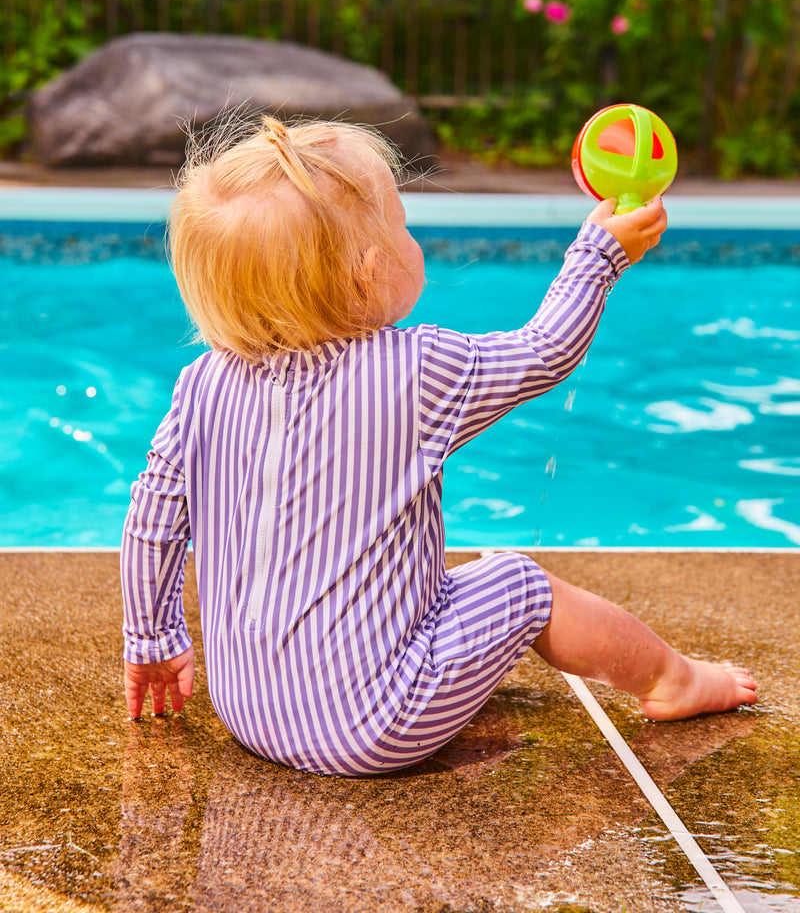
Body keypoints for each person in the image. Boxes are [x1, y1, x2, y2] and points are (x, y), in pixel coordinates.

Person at [121, 117, 757, 777]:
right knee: (517, 582)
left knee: (413, 585)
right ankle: (673, 680)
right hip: (373, 727)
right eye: (402, 225)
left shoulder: (200, 387)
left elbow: (151, 526)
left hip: (247, 709)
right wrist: (598, 255)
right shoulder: (413, 371)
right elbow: (545, 351)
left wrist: (151, 639)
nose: (410, 238)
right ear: (371, 274)